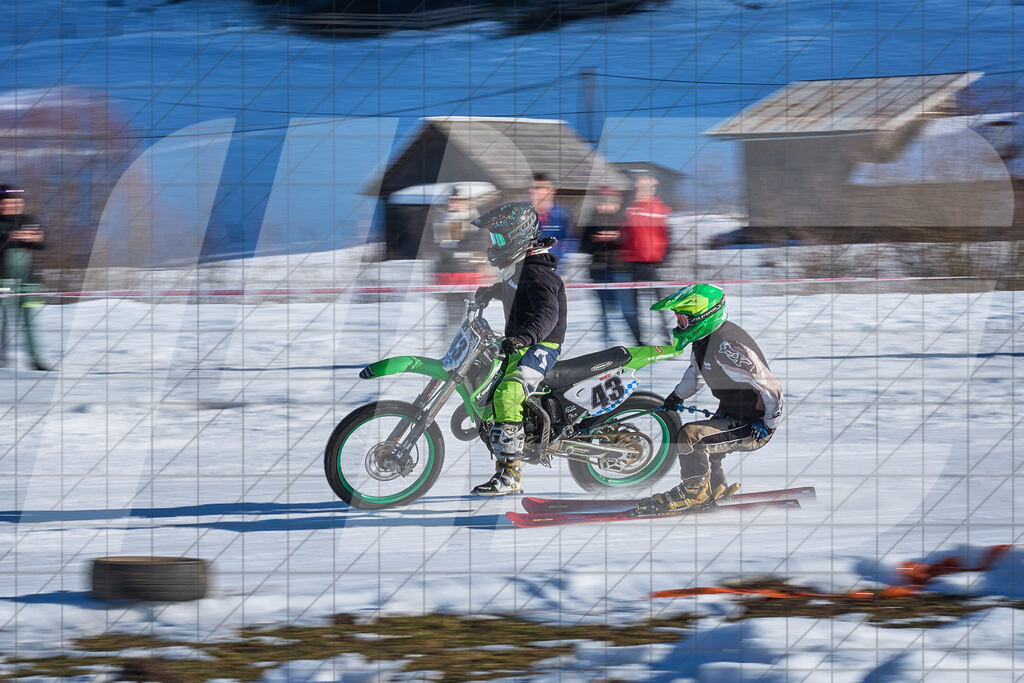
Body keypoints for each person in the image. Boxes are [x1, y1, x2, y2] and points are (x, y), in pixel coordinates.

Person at [634, 284, 783, 514]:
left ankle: (695, 494)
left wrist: (769, 424)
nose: (678, 325)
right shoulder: (704, 341)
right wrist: (675, 397)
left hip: (754, 424)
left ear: (702, 317)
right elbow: (696, 374)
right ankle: (716, 489)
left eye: (683, 320)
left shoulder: (728, 346)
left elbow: (771, 386)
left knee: (691, 437)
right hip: (734, 415)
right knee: (705, 441)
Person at [470, 202, 567, 496]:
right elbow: (515, 290)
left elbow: (546, 314)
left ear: (518, 235)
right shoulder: (519, 267)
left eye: (499, 238)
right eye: (493, 239)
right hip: (522, 340)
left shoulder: (538, 274)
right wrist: (492, 292)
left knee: (508, 393)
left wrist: (526, 337)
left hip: (542, 345)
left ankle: (511, 473)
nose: (495, 245)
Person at [619, 171, 671, 345]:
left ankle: (667, 340)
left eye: (646, 186)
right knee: (634, 308)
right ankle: (639, 343)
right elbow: (622, 234)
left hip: (652, 264)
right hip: (631, 264)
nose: (641, 189)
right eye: (639, 186)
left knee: (661, 306)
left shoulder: (660, 208)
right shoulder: (628, 208)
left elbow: (667, 235)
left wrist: (664, 257)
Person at [0, 185, 48, 371]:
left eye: (18, 202)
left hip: (28, 283)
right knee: (2, 319)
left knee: (30, 321)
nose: (15, 206)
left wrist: (38, 239)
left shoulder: (28, 220)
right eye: (10, 202)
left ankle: (35, 360)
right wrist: (10, 236)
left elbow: (44, 244)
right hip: (3, 282)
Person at [432, 187, 487, 335]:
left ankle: (471, 347)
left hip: (470, 275)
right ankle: (450, 347)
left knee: (472, 315)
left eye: (458, 200)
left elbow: (478, 244)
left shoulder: (475, 219)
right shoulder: (441, 219)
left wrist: (456, 245)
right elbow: (442, 248)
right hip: (448, 276)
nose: (454, 203)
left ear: (466, 201)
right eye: (451, 200)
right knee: (452, 316)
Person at [579, 185, 629, 346]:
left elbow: (627, 243)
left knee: (622, 307)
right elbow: (584, 247)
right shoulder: (591, 221)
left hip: (619, 269)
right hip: (598, 270)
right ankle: (608, 341)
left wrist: (614, 237)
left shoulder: (621, 220)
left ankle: (629, 339)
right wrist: (598, 240)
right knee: (604, 309)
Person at [530, 172, 575, 274]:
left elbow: (570, 245)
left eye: (544, 188)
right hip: (528, 272)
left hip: (554, 272)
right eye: (537, 188)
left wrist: (563, 271)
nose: (540, 192)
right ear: (531, 190)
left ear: (553, 190)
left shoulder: (563, 216)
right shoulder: (521, 215)